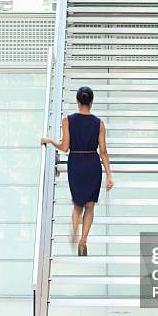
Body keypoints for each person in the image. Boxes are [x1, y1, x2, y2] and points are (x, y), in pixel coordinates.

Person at [40, 86, 113, 256]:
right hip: (93, 164)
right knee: (90, 205)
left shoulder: (68, 120)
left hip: (76, 163)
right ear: (92, 102)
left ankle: (74, 231)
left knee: (78, 203)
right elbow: (103, 151)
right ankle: (83, 240)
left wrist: (50, 140)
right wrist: (109, 175)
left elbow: (65, 147)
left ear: (78, 101)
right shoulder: (99, 123)